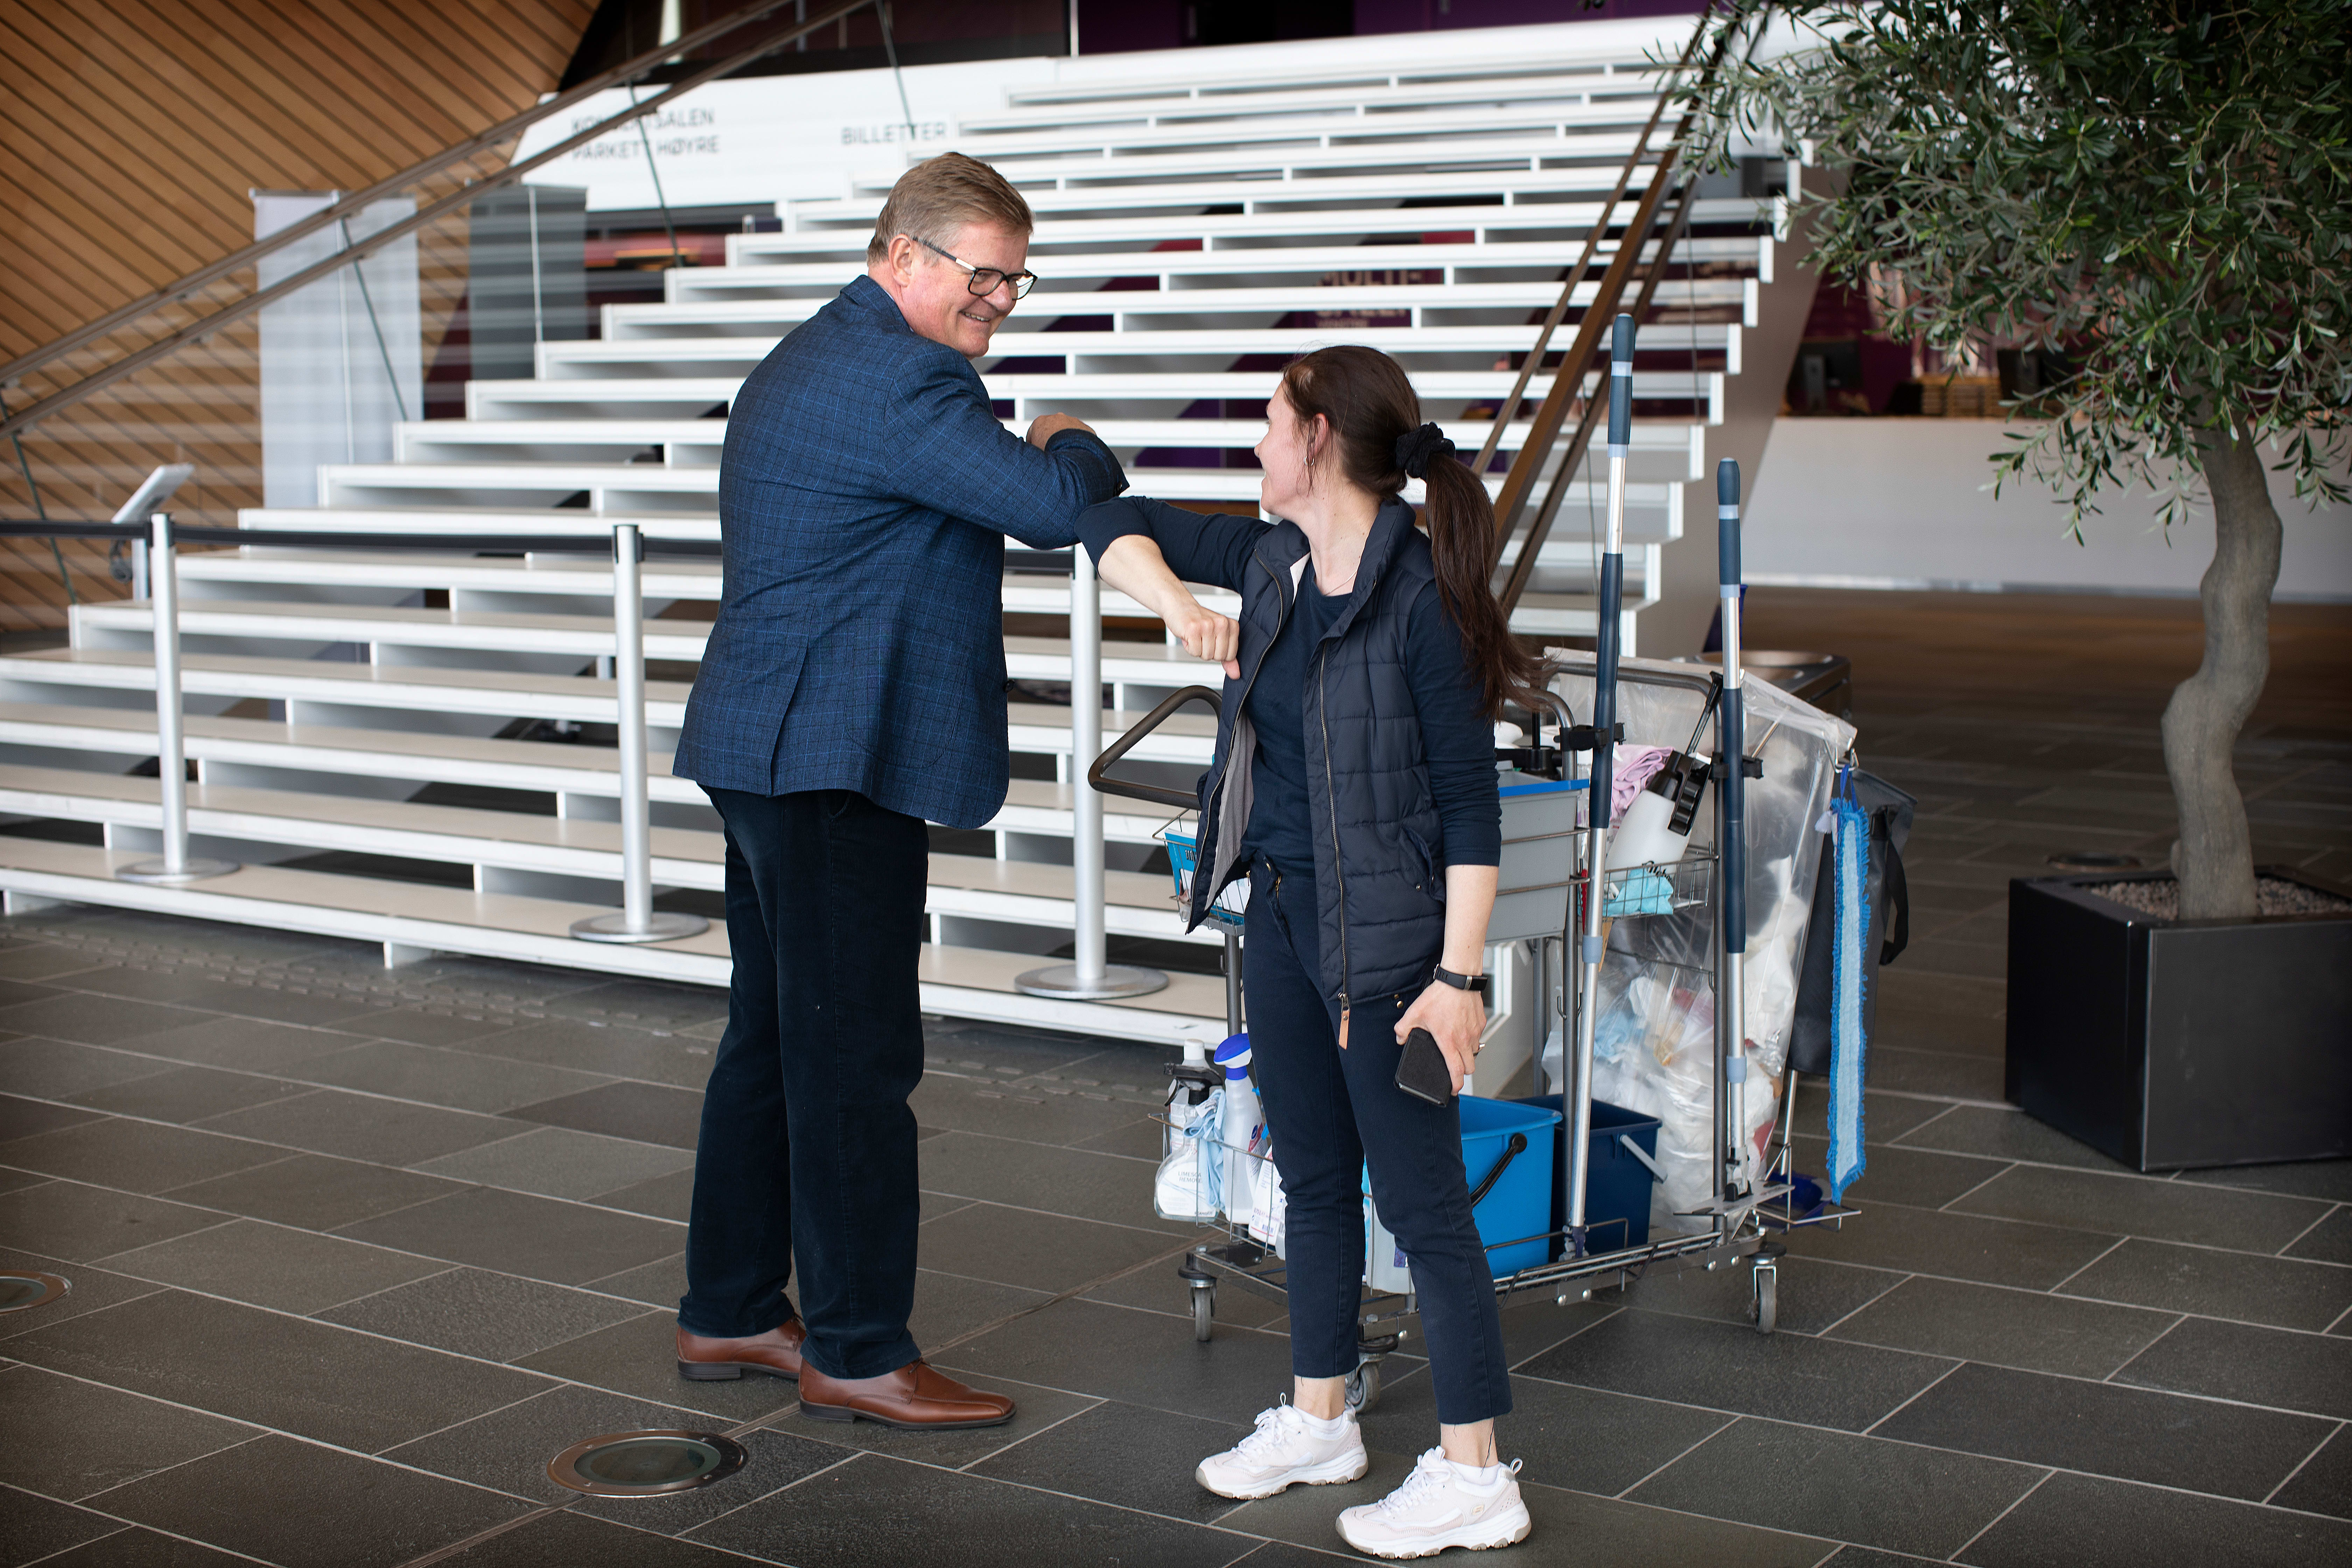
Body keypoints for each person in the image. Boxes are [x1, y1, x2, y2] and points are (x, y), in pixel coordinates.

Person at [668, 153, 1126, 1430]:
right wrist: (1066, 431)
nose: (1001, 300)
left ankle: (730, 1307)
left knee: (774, 1038)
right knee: (854, 1058)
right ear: (904, 255)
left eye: (1016, 280)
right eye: (985, 274)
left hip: (766, 744)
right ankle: (860, 1349)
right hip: (832, 758)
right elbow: (1051, 503)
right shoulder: (905, 377)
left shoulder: (812, 353)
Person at [1077, 345, 1544, 1558]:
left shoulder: (1419, 599)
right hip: (1281, 918)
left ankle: (1477, 1475)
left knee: (1426, 1209)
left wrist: (1458, 981)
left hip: (1390, 949)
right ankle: (1322, 1419)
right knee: (1314, 1182)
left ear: (1320, 437)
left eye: (1271, 424)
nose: (1257, 445)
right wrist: (1180, 607)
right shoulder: (1269, 559)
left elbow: (1471, 808)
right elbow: (1109, 516)